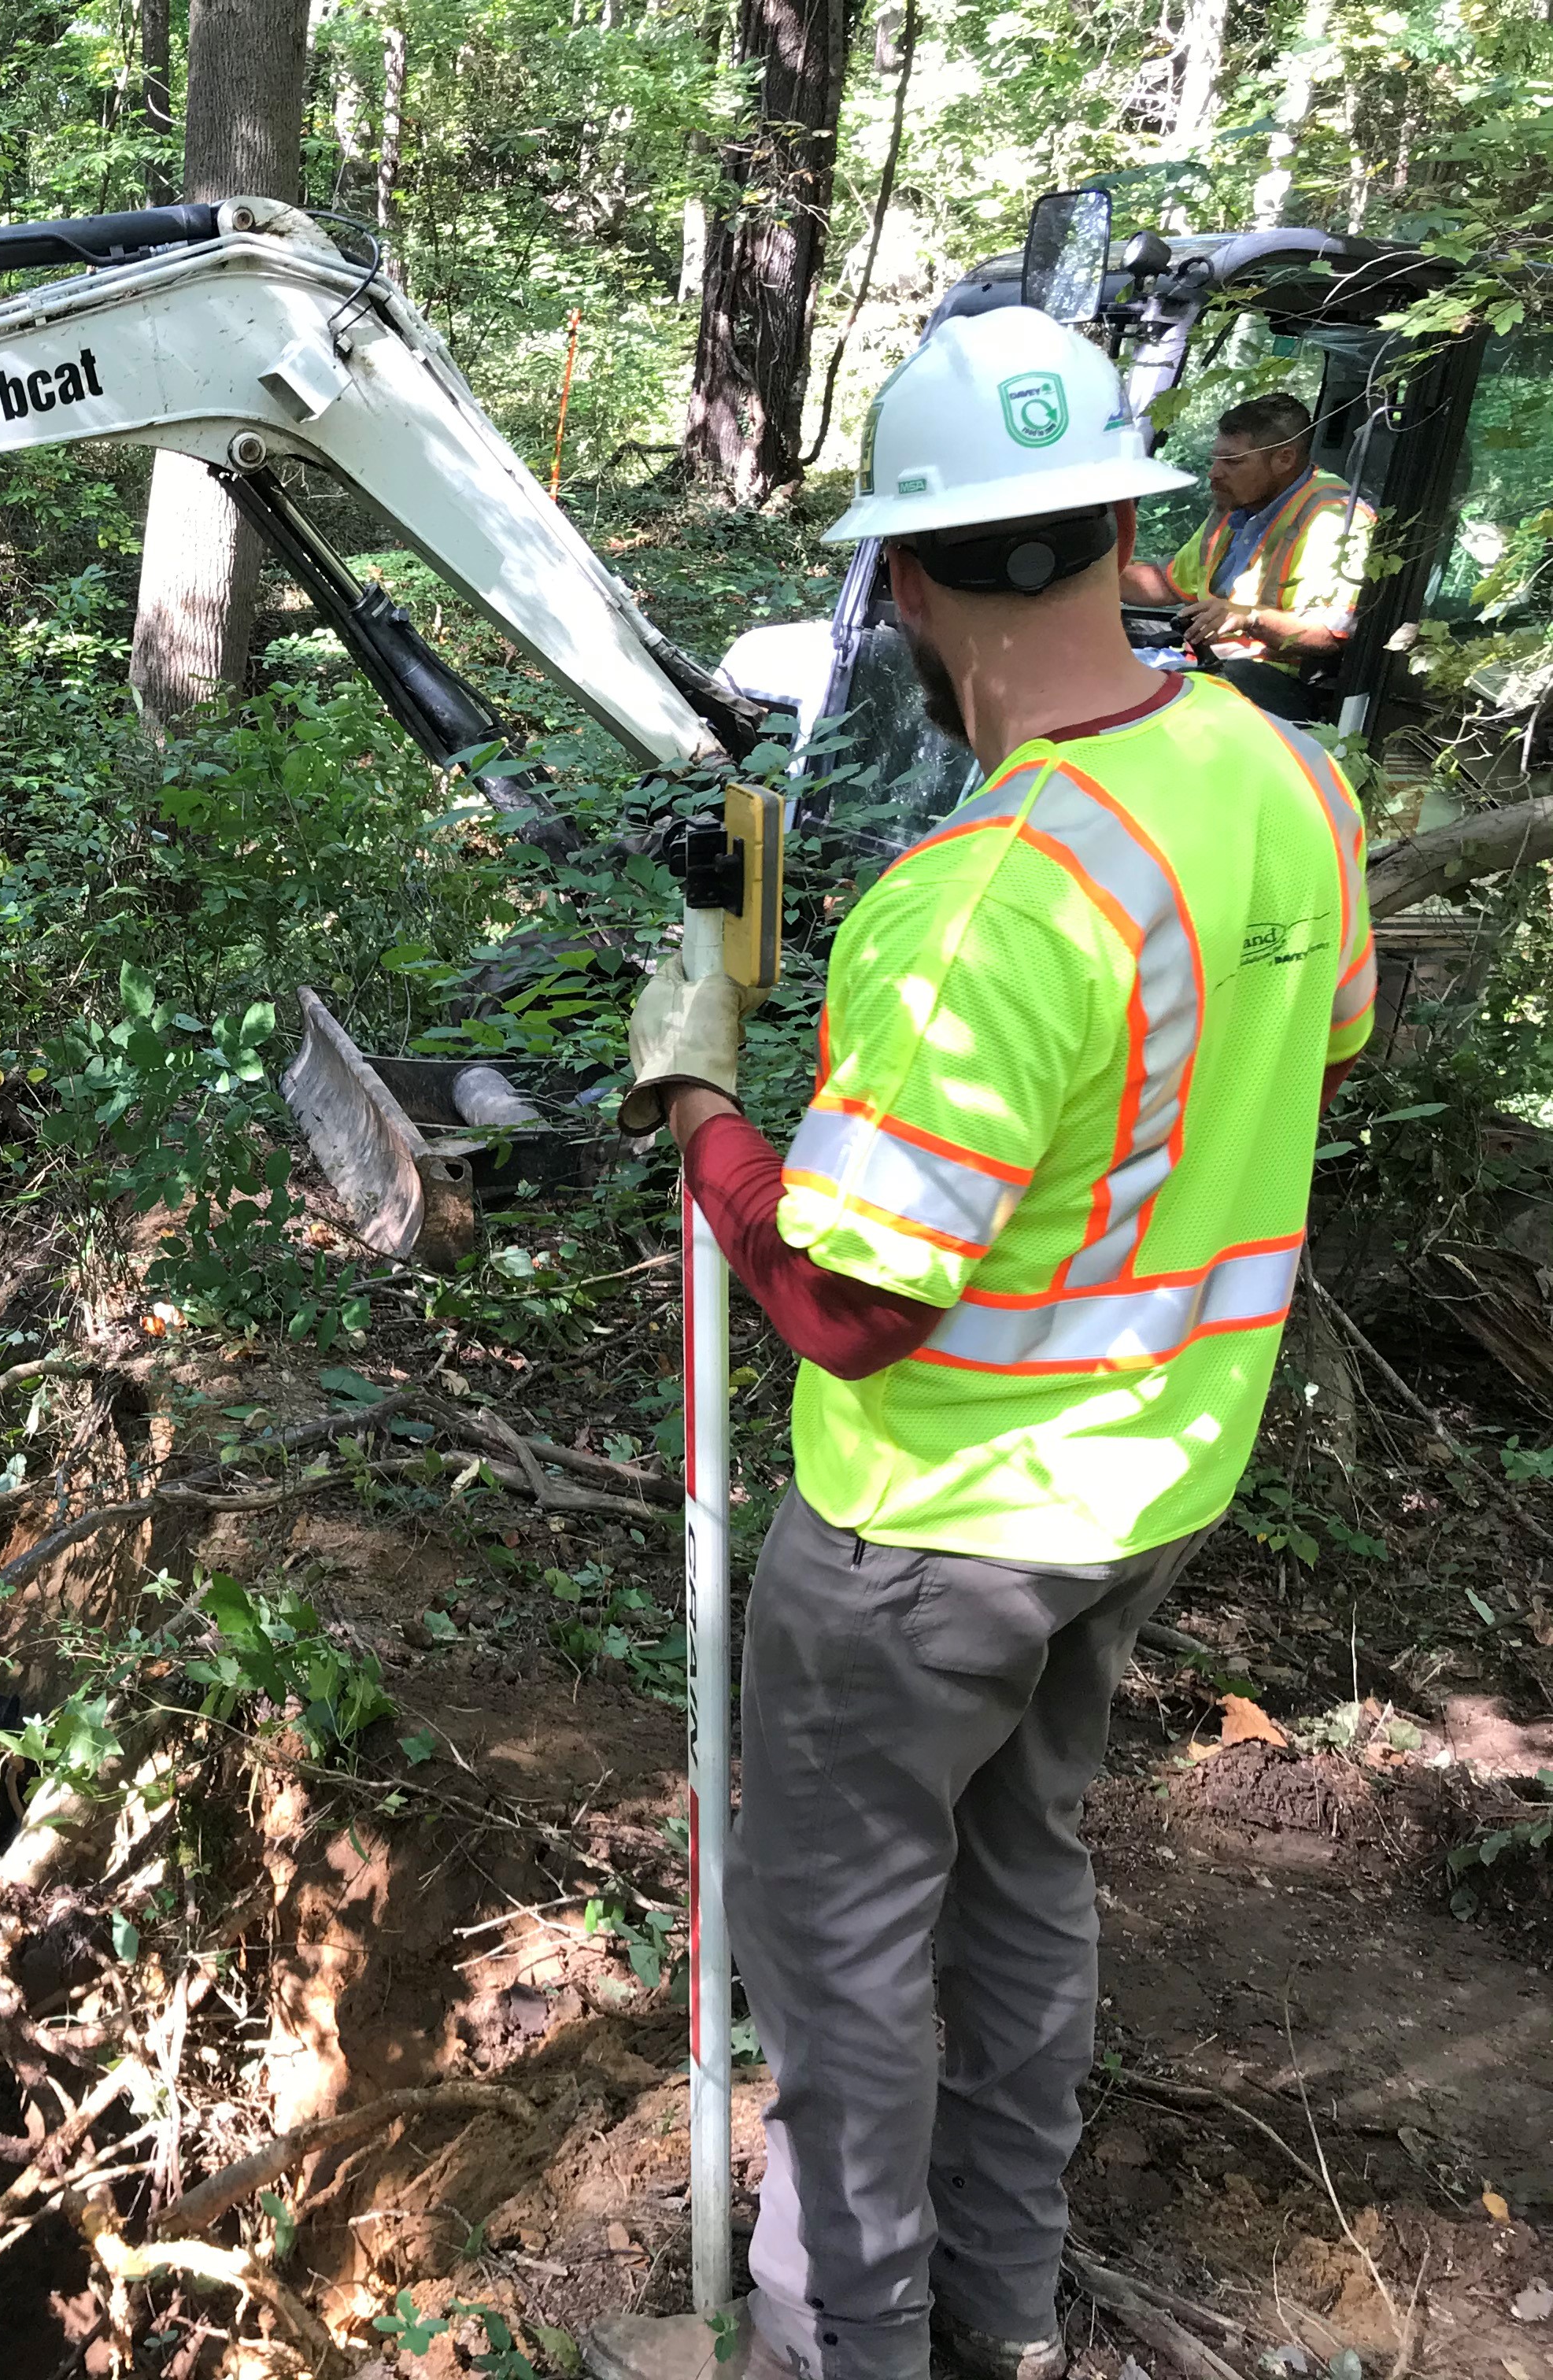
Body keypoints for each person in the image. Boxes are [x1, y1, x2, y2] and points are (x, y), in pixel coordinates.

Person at [586, 308, 1375, 2380]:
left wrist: (703, 1104)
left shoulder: (983, 898)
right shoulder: (1295, 779)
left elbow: (849, 1303)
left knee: (843, 1996)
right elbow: (1322, 1030)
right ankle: (998, 2322)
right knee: (1023, 1889)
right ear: (1129, 520)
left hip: (929, 1538)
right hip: (1151, 1488)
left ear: (909, 577)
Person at [1116, 390, 1373, 720]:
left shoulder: (1332, 517)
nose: (1214, 473)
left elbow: (1327, 636)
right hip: (1212, 663)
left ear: (1284, 459)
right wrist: (1088, 576)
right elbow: (1168, 583)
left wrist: (1249, 617)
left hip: (1276, 685)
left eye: (1233, 462)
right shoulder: (1236, 502)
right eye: (1216, 459)